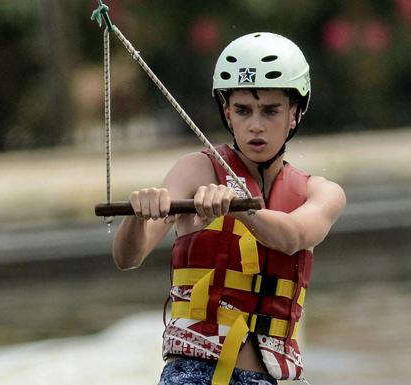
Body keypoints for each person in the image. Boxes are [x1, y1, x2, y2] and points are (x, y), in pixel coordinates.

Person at [112, 32, 346, 385]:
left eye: (270, 111)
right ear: (227, 112)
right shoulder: (195, 170)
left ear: (295, 113)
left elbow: (293, 237)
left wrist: (236, 207)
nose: (255, 124)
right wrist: (137, 216)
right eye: (242, 110)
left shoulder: (322, 193)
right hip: (193, 374)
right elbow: (128, 257)